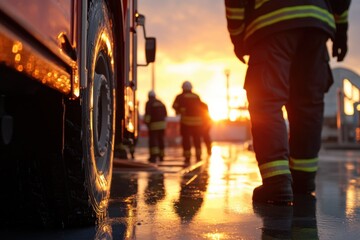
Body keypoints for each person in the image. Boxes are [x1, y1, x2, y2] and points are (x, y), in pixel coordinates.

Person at [224, 0, 351, 205]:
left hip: (271, 20)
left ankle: (277, 183)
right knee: (308, 103)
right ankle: (303, 180)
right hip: (316, 21)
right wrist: (342, 28)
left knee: (266, 100)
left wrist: (238, 36)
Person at [172, 81, 203, 163]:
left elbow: (174, 106)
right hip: (198, 122)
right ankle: (198, 156)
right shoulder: (196, 96)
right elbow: (201, 107)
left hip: (186, 122)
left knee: (186, 140)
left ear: (183, 88)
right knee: (197, 139)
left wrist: (179, 111)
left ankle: (187, 157)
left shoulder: (180, 96)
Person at [144, 90, 167, 163]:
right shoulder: (160, 102)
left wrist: (147, 122)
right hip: (162, 125)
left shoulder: (149, 103)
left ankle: (153, 157)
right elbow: (165, 113)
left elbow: (148, 114)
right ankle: (161, 156)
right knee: (161, 140)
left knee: (153, 141)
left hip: (153, 125)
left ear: (149, 96)